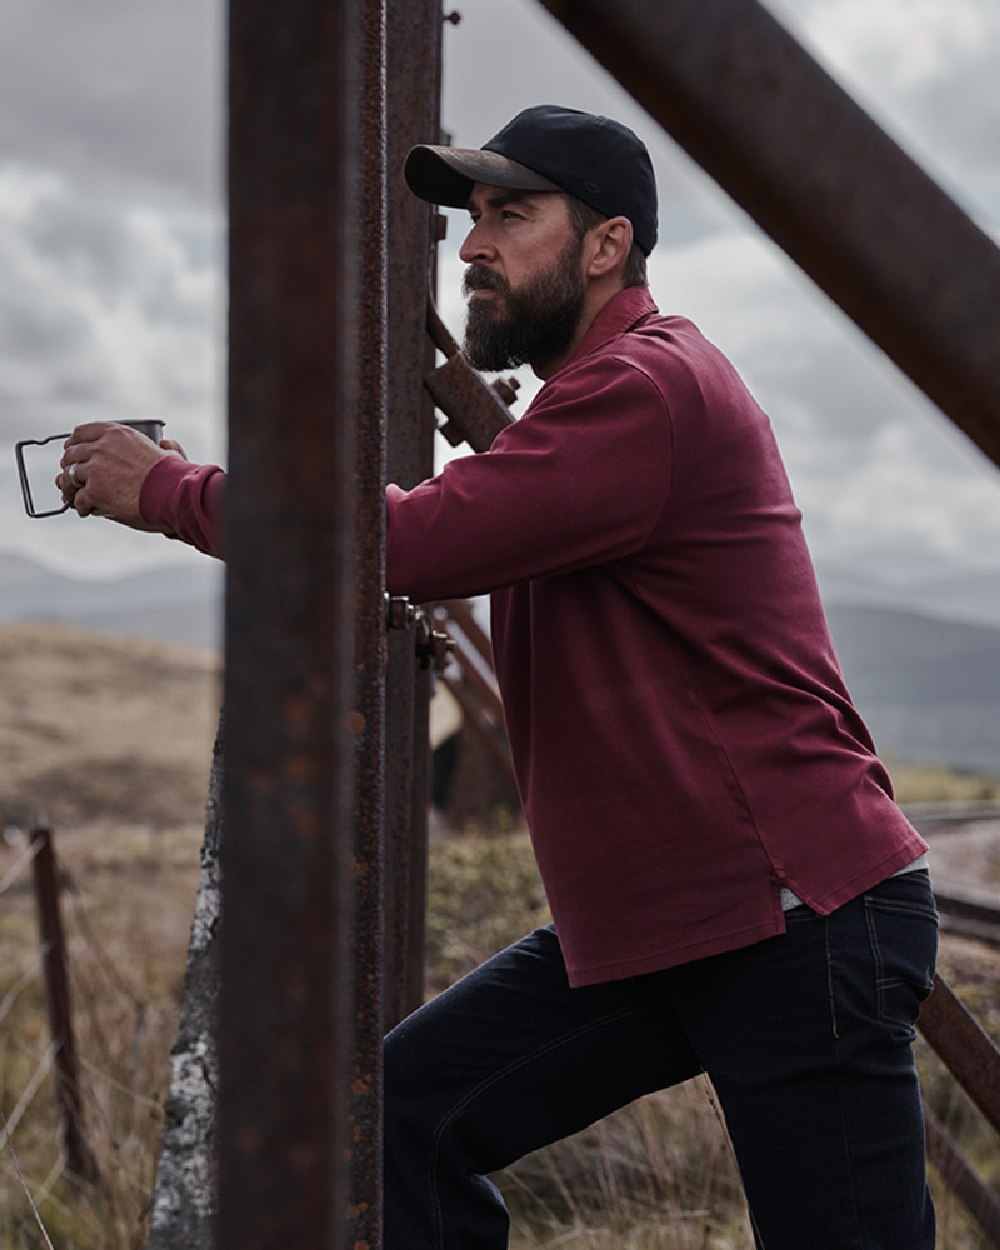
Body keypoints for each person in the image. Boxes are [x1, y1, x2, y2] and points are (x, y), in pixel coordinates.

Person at [60, 105, 938, 1249]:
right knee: (393, 1122)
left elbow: (408, 540)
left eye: (510, 216)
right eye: (471, 218)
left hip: (794, 918)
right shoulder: (582, 405)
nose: (473, 245)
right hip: (669, 927)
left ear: (606, 244)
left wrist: (177, 492)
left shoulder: (648, 388)